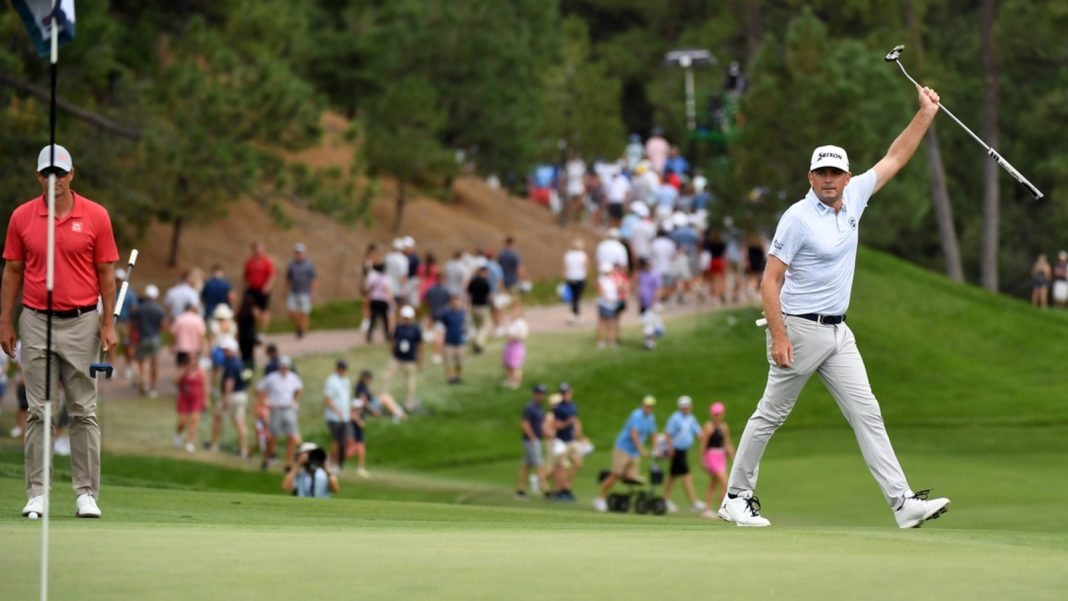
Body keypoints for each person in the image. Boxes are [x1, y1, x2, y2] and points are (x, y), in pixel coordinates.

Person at [719, 86, 951, 528]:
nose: (828, 179)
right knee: (771, 413)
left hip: (838, 333)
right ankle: (735, 495)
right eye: (821, 172)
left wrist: (926, 113)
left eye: (835, 172)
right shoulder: (797, 217)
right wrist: (780, 336)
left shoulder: (857, 196)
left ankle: (902, 503)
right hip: (799, 330)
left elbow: (896, 157)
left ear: (847, 177)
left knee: (868, 413)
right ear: (810, 177)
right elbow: (770, 279)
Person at [2, 144, 118, 519]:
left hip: (83, 322)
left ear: (72, 175)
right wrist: (5, 320)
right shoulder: (22, 216)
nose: (55, 179)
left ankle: (86, 494)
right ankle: (38, 492)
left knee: (83, 410)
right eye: (47, 173)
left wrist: (108, 324)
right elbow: (12, 272)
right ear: (39, 176)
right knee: (40, 411)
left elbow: (105, 274)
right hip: (35, 321)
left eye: (61, 172)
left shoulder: (96, 216)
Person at [594, 395, 658, 512]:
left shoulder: (651, 418)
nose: (648, 408)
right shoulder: (636, 415)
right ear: (643, 405)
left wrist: (656, 448)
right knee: (616, 474)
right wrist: (641, 449)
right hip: (623, 449)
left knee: (632, 478)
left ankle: (626, 501)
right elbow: (634, 434)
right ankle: (600, 498)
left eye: (651, 406)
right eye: (647, 406)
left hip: (634, 453)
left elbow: (653, 434)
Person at [256, 355, 303, 471]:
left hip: (288, 409)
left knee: (291, 437)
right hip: (276, 410)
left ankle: (288, 463)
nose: (284, 369)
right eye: (282, 367)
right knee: (272, 438)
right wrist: (264, 402)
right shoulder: (272, 378)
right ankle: (266, 459)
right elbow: (259, 388)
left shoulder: (293, 378)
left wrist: (295, 401)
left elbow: (299, 389)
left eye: (286, 367)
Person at [662, 396, 706, 514]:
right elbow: (668, 435)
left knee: (672, 476)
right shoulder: (675, 418)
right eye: (683, 407)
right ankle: (693, 502)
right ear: (680, 407)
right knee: (686, 476)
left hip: (683, 452)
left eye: (687, 407)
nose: (685, 409)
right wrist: (670, 449)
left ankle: (665, 500)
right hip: (677, 451)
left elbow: (698, 432)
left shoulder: (691, 418)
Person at [209, 338, 249, 458]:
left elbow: (229, 381)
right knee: (239, 421)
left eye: (226, 350)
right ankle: (243, 449)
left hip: (232, 395)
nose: (224, 352)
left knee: (219, 417)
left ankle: (214, 445)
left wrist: (226, 397)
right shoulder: (238, 361)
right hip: (241, 394)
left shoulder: (231, 362)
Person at [383, 305, 423, 412]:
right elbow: (393, 340)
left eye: (408, 318)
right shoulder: (398, 327)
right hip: (397, 357)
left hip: (410, 359)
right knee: (387, 377)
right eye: (404, 318)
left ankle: (408, 403)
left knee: (410, 383)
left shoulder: (416, 329)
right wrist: (392, 351)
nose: (406, 320)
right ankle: (383, 399)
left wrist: (420, 359)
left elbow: (420, 345)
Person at [550, 382, 584, 501]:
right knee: (562, 467)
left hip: (572, 440)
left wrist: (580, 435)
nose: (565, 395)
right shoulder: (558, 408)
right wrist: (567, 423)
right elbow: (556, 425)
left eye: (567, 392)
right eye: (563, 393)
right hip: (562, 441)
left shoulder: (573, 406)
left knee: (578, 462)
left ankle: (566, 486)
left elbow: (576, 421)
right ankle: (562, 490)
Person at [700, 401, 734, 519]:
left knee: (714, 483)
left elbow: (727, 443)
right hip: (711, 456)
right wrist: (703, 460)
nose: (718, 416)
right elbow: (703, 445)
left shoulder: (724, 427)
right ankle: (723, 509)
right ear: (712, 415)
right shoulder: (708, 427)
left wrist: (733, 456)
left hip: (721, 456)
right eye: (716, 414)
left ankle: (707, 509)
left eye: (720, 414)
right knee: (724, 482)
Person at [515, 383, 548, 500]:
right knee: (539, 464)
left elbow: (541, 425)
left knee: (527, 465)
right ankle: (545, 490)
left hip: (536, 439)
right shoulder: (529, 407)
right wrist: (533, 437)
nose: (541, 396)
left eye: (543, 394)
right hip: (531, 441)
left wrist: (546, 434)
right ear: (534, 394)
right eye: (539, 394)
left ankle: (520, 490)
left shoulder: (540, 408)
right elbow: (525, 424)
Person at [133, 284, 165, 398]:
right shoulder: (159, 309)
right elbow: (162, 326)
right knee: (154, 364)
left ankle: (143, 382)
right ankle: (153, 387)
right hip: (155, 338)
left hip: (143, 338)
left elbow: (135, 325)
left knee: (141, 362)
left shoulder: (139, 308)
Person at [173, 352, 206, 453]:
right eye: (191, 359)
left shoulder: (201, 371)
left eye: (194, 359)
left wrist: (206, 399)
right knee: (182, 422)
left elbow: (205, 385)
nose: (193, 361)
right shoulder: (183, 370)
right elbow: (175, 382)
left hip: (197, 398)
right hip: (184, 398)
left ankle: (190, 442)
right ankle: (178, 435)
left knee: (194, 421)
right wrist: (182, 373)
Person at [323, 359, 352, 471]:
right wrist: (336, 410)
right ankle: (331, 464)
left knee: (343, 442)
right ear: (338, 369)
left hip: (344, 417)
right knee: (336, 441)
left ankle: (339, 465)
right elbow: (327, 399)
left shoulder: (346, 381)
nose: (344, 371)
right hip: (334, 417)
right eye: (342, 369)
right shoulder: (331, 381)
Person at [109, 268, 138, 380]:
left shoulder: (130, 293)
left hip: (126, 323)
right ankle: (112, 368)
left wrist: (133, 325)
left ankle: (128, 366)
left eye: (120, 280)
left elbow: (134, 309)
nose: (118, 282)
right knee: (112, 346)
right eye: (117, 280)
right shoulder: (110, 291)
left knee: (128, 346)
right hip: (114, 323)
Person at [285, 242, 317, 338]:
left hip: (305, 292)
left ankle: (303, 331)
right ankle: (299, 326)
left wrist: (313, 293)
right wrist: (286, 291)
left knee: (304, 313)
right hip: (294, 291)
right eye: (297, 252)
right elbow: (288, 279)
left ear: (303, 253)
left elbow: (313, 279)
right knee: (291, 311)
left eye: (300, 252)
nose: (298, 254)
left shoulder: (309, 265)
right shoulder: (291, 265)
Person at [243, 242, 276, 333]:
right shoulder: (249, 262)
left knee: (264, 310)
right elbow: (246, 276)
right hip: (252, 289)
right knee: (252, 309)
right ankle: (256, 326)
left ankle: (263, 330)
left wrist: (268, 286)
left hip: (263, 289)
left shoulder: (267, 261)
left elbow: (272, 275)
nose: (258, 252)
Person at [170, 303, 207, 367]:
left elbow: (174, 334)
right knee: (194, 367)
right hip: (195, 348)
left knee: (181, 367)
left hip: (182, 347)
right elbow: (201, 335)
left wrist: (172, 345)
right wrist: (202, 347)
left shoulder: (179, 318)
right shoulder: (198, 319)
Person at [440, 295, 466, 384]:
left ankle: (458, 376)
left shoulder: (462, 313)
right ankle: (451, 377)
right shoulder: (446, 314)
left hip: (460, 341)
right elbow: (443, 324)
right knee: (449, 362)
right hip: (449, 341)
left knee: (460, 362)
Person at [467, 265, 493, 354]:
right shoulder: (485, 282)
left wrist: (468, 305)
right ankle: (478, 342)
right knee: (484, 326)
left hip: (474, 306)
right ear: (483, 272)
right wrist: (493, 304)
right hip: (483, 306)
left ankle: (475, 342)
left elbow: (468, 293)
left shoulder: (473, 281)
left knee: (476, 326)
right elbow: (489, 295)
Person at [501, 305, 529, 390]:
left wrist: (514, 337)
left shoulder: (521, 323)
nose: (513, 312)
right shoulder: (513, 322)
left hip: (516, 346)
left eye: (515, 311)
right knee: (508, 364)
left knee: (515, 366)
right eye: (513, 310)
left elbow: (523, 335)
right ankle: (510, 379)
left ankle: (516, 382)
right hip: (509, 346)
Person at [364, 262, 392, 343]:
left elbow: (367, 288)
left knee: (373, 318)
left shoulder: (372, 277)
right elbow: (387, 289)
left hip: (374, 299)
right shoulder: (386, 278)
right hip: (383, 300)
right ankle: (387, 335)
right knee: (385, 319)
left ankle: (369, 335)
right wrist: (390, 300)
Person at [595, 262, 621, 349]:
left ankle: (611, 341)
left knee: (611, 323)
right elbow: (601, 292)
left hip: (612, 304)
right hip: (605, 304)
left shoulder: (612, 279)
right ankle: (601, 341)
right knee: (603, 323)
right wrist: (610, 298)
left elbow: (616, 289)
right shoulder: (601, 280)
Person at [562, 239, 588, 324]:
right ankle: (576, 314)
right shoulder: (582, 255)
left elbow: (565, 268)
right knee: (577, 297)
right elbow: (585, 267)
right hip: (580, 277)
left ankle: (574, 313)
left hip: (570, 278)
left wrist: (564, 278)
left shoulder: (568, 255)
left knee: (573, 298)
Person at [348, 399, 370, 478]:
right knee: (349, 454)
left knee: (361, 452)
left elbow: (362, 425)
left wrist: (356, 418)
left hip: (359, 436)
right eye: (357, 408)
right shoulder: (348, 415)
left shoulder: (361, 416)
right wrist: (352, 417)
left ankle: (360, 468)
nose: (360, 409)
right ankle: (334, 461)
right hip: (351, 437)